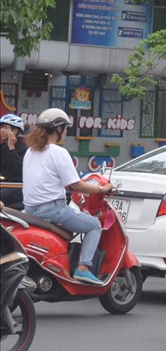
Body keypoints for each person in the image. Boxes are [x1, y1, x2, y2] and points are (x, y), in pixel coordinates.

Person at [21, 108, 115, 285]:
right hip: (52, 210)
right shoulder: (58, 152)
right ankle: (83, 268)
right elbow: (76, 185)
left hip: (29, 209)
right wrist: (102, 190)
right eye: (65, 128)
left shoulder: (30, 151)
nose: (65, 132)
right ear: (58, 129)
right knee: (94, 225)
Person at [0, 113, 28, 208]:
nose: (1, 130)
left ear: (15, 130)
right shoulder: (2, 147)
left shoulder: (24, 149)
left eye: (5, 128)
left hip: (18, 188)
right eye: (1, 128)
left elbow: (19, 170)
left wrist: (11, 147)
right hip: (3, 185)